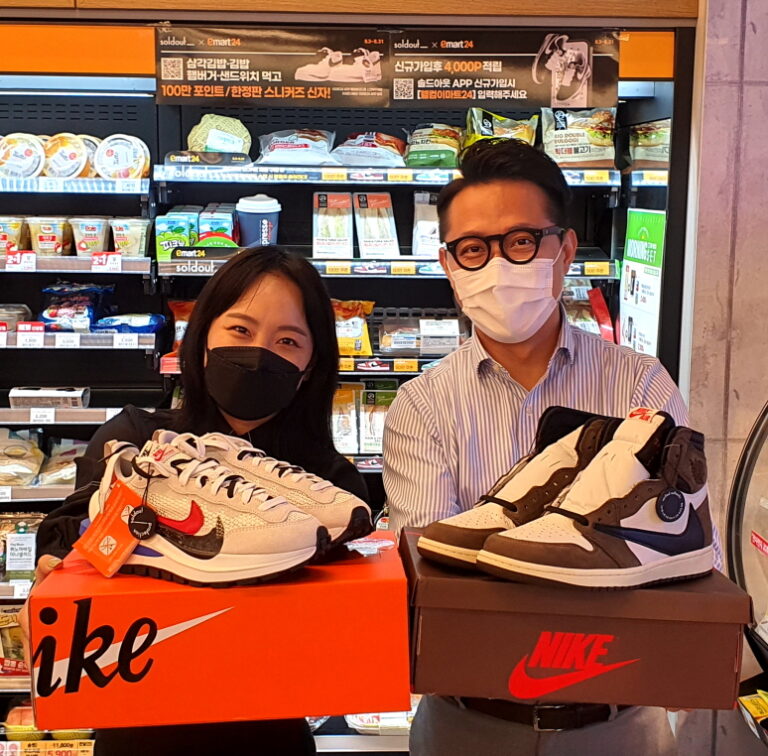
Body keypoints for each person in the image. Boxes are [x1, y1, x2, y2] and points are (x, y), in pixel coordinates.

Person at [383, 138, 722, 756]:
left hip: (618, 723)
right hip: (465, 722)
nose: (496, 266)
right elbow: (436, 590)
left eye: (520, 241)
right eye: (473, 249)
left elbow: (683, 558)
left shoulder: (640, 384)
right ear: (449, 265)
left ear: (564, 249)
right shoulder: (421, 405)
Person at [21, 246, 368, 756]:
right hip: (139, 731)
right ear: (202, 337)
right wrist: (58, 580)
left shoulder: (332, 489)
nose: (259, 353)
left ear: (311, 363)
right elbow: (67, 541)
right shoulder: (134, 440)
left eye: (288, 340)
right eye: (240, 330)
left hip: (269, 736)